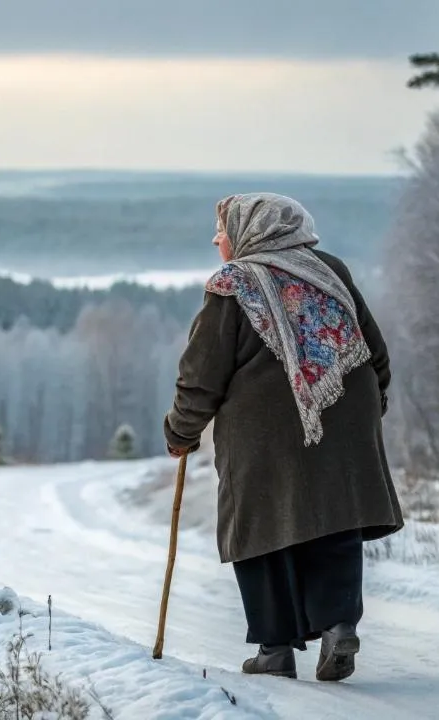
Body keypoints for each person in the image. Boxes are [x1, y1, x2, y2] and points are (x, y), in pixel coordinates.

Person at [163, 192, 403, 682]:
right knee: (334, 520)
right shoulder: (328, 269)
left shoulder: (231, 284)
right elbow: (373, 349)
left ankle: (274, 649)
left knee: (259, 529)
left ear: (253, 231)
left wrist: (181, 432)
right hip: (343, 417)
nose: (217, 241)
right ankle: (338, 627)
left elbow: (201, 374)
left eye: (223, 231)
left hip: (262, 430)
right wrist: (365, 415)